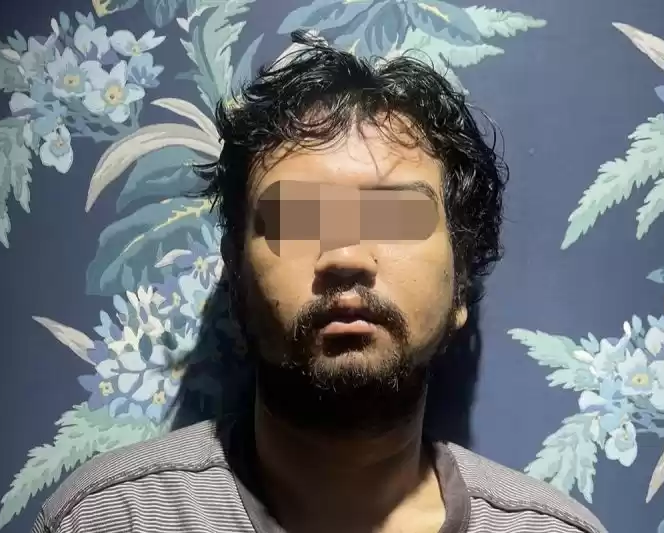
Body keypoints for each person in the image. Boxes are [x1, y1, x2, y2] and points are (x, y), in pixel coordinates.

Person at [30, 31, 607, 533]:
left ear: (461, 284)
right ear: (236, 274)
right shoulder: (108, 518)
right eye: (295, 219)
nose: (345, 256)